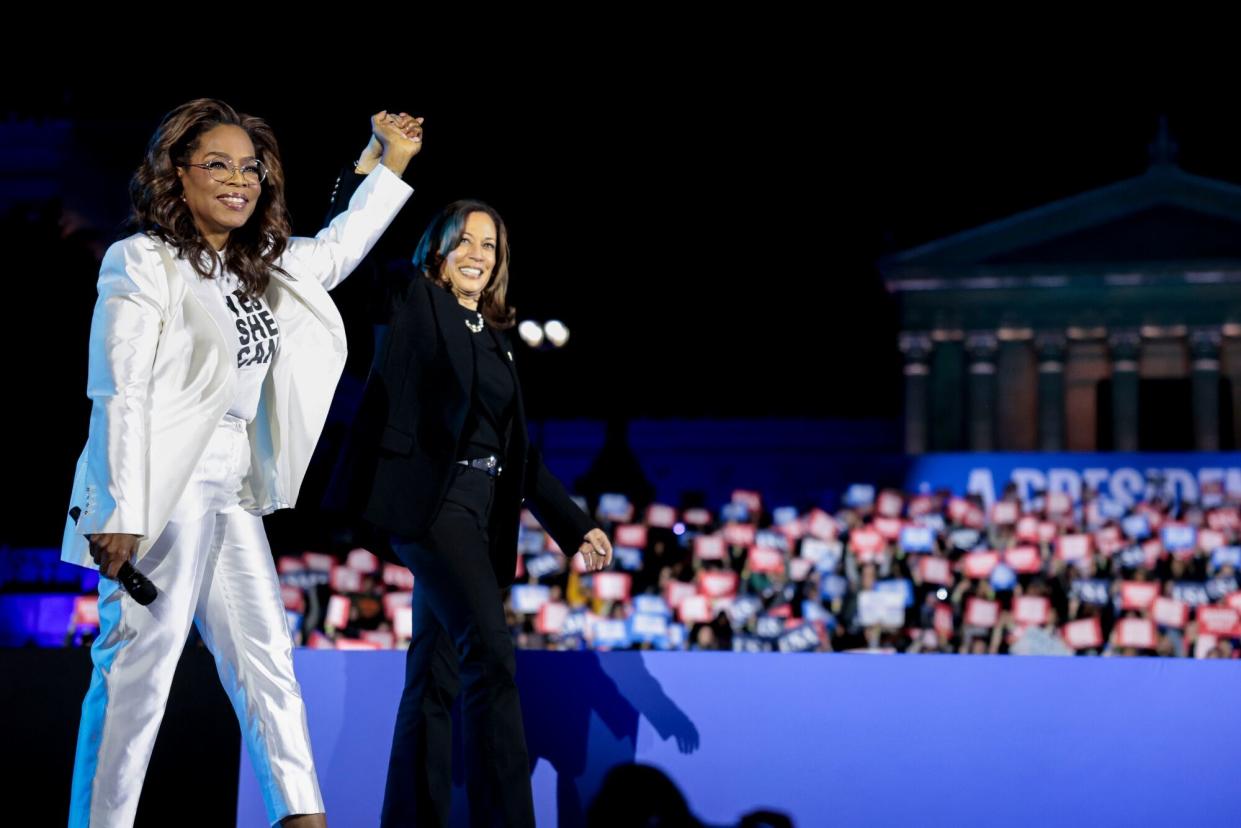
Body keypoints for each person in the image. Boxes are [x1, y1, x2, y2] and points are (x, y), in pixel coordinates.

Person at [61, 98, 421, 828]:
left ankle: (302, 815)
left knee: (268, 661)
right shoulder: (143, 261)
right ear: (177, 175)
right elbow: (118, 389)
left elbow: (337, 251)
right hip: (161, 487)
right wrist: (119, 507)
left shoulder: (257, 265)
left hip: (230, 485)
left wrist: (392, 166)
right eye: (217, 165)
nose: (238, 179)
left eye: (250, 167)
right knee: (138, 675)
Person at [326, 178, 613, 825]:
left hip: (481, 512)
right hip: (433, 507)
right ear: (438, 249)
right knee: (490, 656)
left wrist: (574, 526)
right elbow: (355, 257)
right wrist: (367, 172)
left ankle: (411, 819)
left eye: (489, 244)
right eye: (464, 241)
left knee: (434, 676)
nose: (477, 254)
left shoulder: (497, 339)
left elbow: (519, 455)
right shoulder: (413, 301)